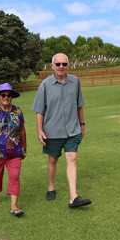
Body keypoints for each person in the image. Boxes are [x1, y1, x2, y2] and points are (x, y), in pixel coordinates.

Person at [31, 53, 91, 208]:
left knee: (72, 159)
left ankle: (73, 197)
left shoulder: (75, 82)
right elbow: (39, 111)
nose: (61, 67)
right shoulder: (45, 85)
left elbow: (80, 105)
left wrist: (82, 125)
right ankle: (51, 187)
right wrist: (39, 130)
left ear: (68, 65)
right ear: (52, 66)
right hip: (52, 131)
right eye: (58, 64)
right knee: (53, 160)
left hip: (73, 130)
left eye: (64, 64)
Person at [0, 83, 27, 216]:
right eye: (3, 95)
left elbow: (22, 130)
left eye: (9, 95)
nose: (6, 97)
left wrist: (24, 147)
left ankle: (14, 206)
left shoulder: (18, 111)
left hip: (15, 151)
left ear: (12, 96)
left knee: (15, 176)